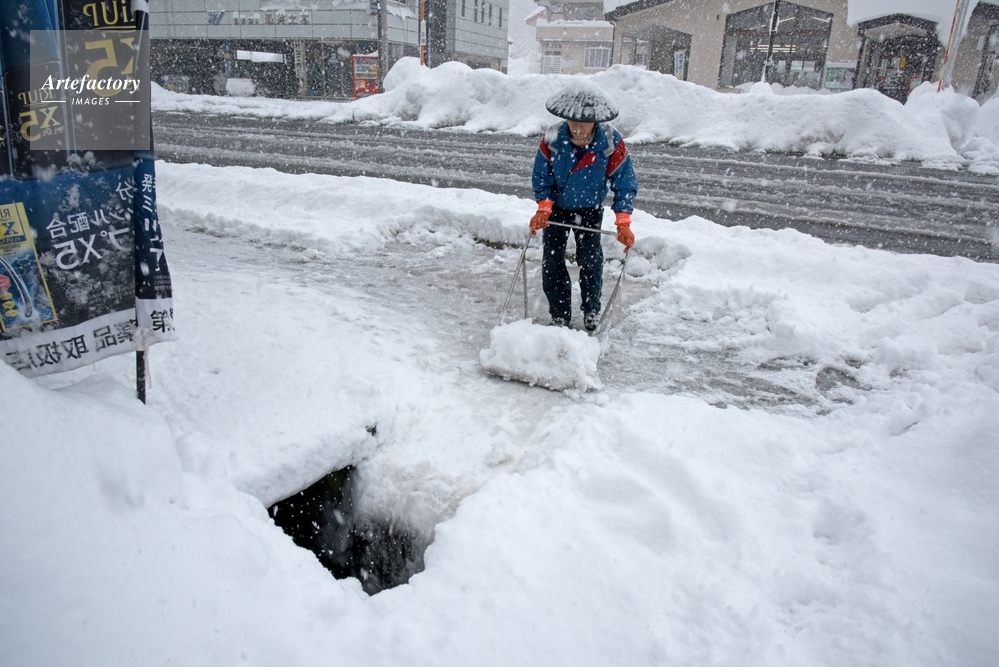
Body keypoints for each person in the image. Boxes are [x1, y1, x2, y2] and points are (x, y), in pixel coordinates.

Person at [530, 83, 638, 332]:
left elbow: (624, 182)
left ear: (596, 122)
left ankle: (591, 309)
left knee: (590, 260)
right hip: (556, 209)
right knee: (552, 261)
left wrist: (623, 222)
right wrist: (543, 208)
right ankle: (559, 313)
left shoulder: (610, 141)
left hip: (589, 209)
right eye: (573, 121)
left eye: (584, 123)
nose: (577, 128)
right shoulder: (553, 138)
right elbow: (542, 176)